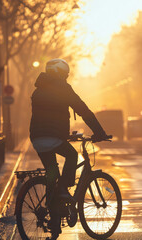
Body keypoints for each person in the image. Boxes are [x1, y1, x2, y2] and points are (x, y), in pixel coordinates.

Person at [29, 58, 107, 239]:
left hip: (37, 138)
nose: (65, 78)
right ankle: (64, 190)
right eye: (64, 75)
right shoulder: (63, 89)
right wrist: (99, 132)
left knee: (51, 173)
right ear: (59, 74)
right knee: (72, 156)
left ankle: (54, 219)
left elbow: (46, 118)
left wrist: (63, 133)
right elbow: (83, 110)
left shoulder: (38, 90)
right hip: (54, 137)